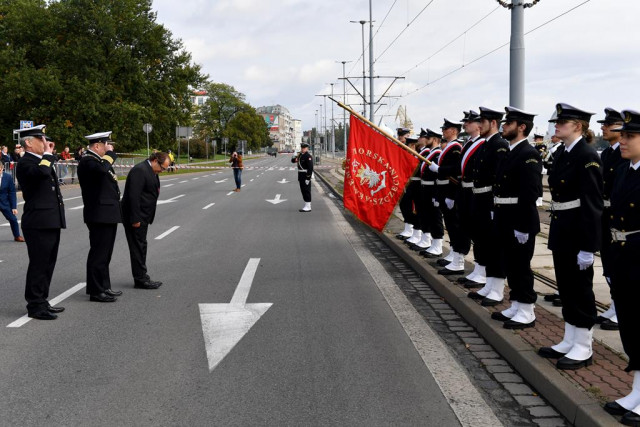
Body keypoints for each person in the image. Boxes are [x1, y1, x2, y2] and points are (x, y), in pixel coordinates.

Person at [538, 103, 603, 370]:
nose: (556, 126)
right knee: (565, 286)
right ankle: (570, 338)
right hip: (563, 227)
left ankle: (584, 346)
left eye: (562, 122)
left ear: (578, 126)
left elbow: (592, 204)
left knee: (580, 289)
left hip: (577, 231)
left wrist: (588, 246)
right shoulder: (564, 153)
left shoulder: (586, 155)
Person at [602, 110, 640, 425]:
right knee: (632, 327)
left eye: (629, 136)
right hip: (624, 256)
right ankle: (637, 392)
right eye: (622, 135)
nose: (622, 140)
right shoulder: (626, 170)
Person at [490, 106, 542, 329]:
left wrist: (522, 225)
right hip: (505, 215)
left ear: (522, 127)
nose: (504, 126)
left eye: (509, 123)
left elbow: (530, 193)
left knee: (521, 265)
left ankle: (527, 310)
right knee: (510, 263)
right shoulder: (511, 151)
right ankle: (517, 303)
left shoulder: (529, 153)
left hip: (519, 219)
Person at [15, 125, 66, 320]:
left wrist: (47, 154)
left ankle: (43, 300)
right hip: (38, 221)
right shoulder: (26, 162)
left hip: (49, 220)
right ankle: (35, 305)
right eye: (41, 139)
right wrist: (47, 154)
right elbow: (42, 174)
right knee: (39, 264)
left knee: (48, 263)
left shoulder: (41, 160)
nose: (45, 143)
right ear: (28, 142)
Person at [467, 107, 510, 306]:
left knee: (495, 246)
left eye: (482, 122)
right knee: (483, 242)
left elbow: (499, 177)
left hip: (489, 200)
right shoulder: (486, 144)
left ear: (493, 123)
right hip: (479, 198)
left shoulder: (499, 145)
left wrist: (494, 205)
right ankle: (489, 283)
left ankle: (497, 288)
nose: (479, 125)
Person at [77, 131, 122, 303]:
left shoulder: (97, 161)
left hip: (107, 213)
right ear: (97, 146)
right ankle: (96, 291)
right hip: (98, 213)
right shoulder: (88, 161)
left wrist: (108, 156)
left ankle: (104, 286)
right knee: (99, 253)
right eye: (106, 145)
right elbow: (101, 171)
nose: (109, 147)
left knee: (106, 253)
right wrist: (111, 155)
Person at [593, 108, 626, 331]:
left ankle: (622, 308)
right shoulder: (605, 154)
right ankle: (616, 305)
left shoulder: (623, 155)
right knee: (608, 265)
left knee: (619, 266)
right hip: (604, 217)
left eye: (608, 124)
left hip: (619, 217)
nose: (603, 127)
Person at [121, 152, 169, 289]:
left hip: (143, 216)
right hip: (136, 217)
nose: (162, 171)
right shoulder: (140, 171)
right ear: (154, 160)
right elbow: (133, 196)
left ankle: (142, 275)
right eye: (162, 167)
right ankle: (141, 279)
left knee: (141, 246)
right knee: (138, 248)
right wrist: (135, 218)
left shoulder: (150, 170)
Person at [427, 119, 464, 275]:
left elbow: (456, 169)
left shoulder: (455, 147)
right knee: (449, 224)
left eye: (446, 129)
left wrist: (440, 169)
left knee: (454, 225)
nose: (443, 131)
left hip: (449, 189)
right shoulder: (448, 146)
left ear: (454, 131)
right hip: (442, 188)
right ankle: (454, 254)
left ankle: (458, 258)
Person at [456, 110, 486, 287]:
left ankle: (481, 269)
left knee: (478, 233)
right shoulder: (469, 143)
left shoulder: (481, 144)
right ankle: (477, 267)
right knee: (469, 228)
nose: (465, 124)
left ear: (478, 125)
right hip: (465, 190)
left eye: (469, 122)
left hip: (475, 191)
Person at [418, 129, 445, 257]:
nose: (425, 139)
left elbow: (437, 176)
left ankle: (438, 245)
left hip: (433, 188)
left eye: (428, 138)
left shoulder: (437, 153)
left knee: (435, 217)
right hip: (426, 188)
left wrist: (436, 194)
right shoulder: (432, 153)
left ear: (434, 139)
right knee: (427, 215)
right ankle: (431, 242)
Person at [394, 128, 416, 239]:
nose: (400, 138)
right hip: (401, 181)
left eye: (402, 136)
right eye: (399, 136)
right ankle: (407, 227)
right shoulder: (400, 148)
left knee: (409, 206)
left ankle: (411, 229)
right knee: (403, 205)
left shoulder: (412, 148)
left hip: (411, 182)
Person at [0, 161, 24, 242]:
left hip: (4, 202)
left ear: (2, 168)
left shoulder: (8, 177)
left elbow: (12, 192)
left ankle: (17, 236)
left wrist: (14, 207)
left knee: (13, 219)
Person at [291, 142, 313, 212]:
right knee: (303, 190)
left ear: (307, 148)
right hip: (300, 175)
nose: (302, 149)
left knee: (306, 190)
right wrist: (294, 156)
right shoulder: (300, 155)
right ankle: (306, 205)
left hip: (305, 175)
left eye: (304, 148)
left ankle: (308, 206)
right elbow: (293, 161)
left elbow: (310, 168)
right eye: (302, 148)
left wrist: (308, 178)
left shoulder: (308, 156)